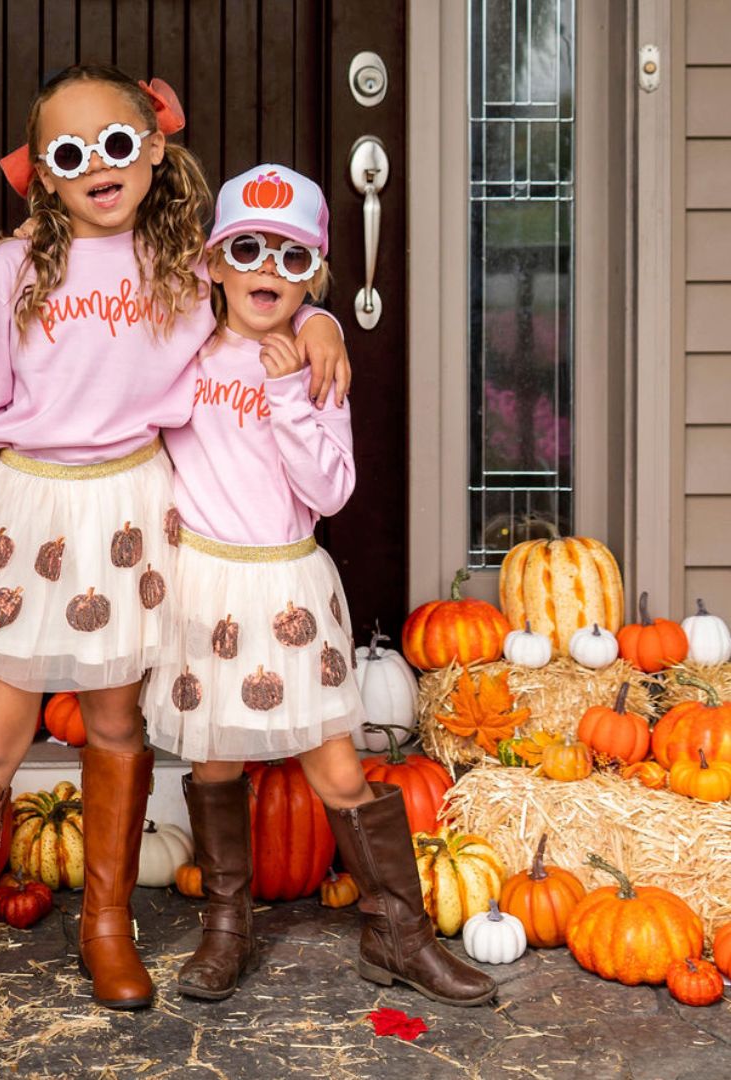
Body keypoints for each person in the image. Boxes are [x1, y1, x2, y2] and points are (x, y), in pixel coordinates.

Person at [0, 66, 350, 1045]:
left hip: (129, 503)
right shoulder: (16, 266)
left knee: (116, 721)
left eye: (117, 144)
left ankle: (107, 925)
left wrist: (321, 318)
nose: (99, 168)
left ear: (152, 148)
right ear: (44, 174)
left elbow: (266, 308)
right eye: (71, 155)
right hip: (30, 506)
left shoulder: (179, 264)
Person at [142, 164, 498, 1007]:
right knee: (215, 758)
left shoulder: (312, 363)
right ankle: (225, 927)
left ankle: (397, 933)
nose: (269, 269)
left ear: (315, 273)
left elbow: (331, 491)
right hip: (206, 589)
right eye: (249, 249)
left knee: (337, 768)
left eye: (293, 258)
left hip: (287, 588)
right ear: (214, 262)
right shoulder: (185, 349)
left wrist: (290, 389)